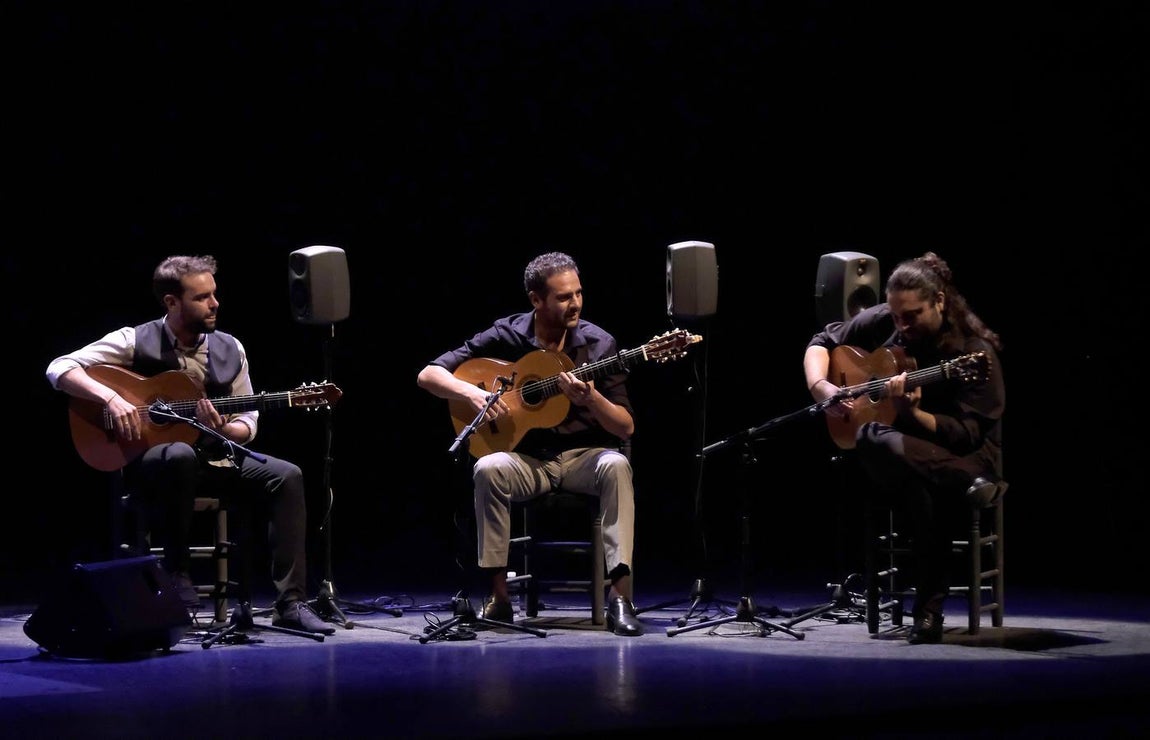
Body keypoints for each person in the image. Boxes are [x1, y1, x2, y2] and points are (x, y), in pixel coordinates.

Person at [45, 254, 335, 635]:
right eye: (202, 297)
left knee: (287, 475)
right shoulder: (133, 340)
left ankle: (291, 603)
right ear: (171, 302)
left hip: (214, 459)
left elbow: (249, 419)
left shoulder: (231, 349)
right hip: (153, 466)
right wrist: (111, 398)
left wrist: (226, 431)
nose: (215, 304)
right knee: (179, 453)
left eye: (214, 294)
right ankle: (175, 573)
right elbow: (59, 368)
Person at [417, 251, 643, 636]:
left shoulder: (599, 344)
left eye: (578, 293)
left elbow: (626, 427)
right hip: (527, 461)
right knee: (487, 467)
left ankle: (620, 598)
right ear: (536, 300)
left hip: (583, 458)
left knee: (617, 465)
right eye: (564, 297)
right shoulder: (506, 335)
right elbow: (428, 374)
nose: (575, 303)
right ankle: (499, 598)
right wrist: (473, 394)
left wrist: (591, 399)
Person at [803, 251, 1006, 644]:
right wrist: (821, 387)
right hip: (905, 457)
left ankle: (929, 610)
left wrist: (913, 414)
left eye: (912, 316)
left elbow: (968, 435)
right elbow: (822, 341)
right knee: (875, 441)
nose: (901, 325)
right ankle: (928, 610)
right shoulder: (890, 317)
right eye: (896, 316)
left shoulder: (973, 353)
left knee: (912, 480)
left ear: (939, 302)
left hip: (964, 458)